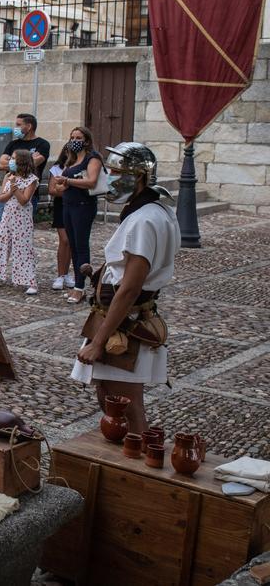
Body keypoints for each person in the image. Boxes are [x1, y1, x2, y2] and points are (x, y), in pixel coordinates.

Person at [72, 142, 179, 436]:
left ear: (139, 176)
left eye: (118, 171)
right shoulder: (156, 209)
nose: (110, 176)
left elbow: (130, 288)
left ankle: (137, 467)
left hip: (125, 323)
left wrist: (98, 342)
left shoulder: (145, 220)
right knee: (111, 397)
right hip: (120, 317)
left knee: (127, 406)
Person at [0, 113, 49, 278]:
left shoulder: (42, 144)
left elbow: (35, 162)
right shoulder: (12, 144)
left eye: (19, 125)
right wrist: (23, 162)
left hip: (27, 193)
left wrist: (16, 163)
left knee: (22, 235)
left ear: (29, 126)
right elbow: (1, 164)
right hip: (8, 192)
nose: (16, 128)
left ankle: (25, 273)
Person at [50, 126, 103, 304]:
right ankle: (76, 284)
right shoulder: (71, 159)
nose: (74, 141)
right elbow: (60, 187)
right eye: (72, 137)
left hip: (83, 206)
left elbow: (91, 181)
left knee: (81, 245)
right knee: (72, 246)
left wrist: (68, 181)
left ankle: (80, 287)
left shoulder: (92, 158)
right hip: (67, 205)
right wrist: (61, 185)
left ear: (86, 140)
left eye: (78, 137)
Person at [0, 149, 39, 294]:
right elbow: (1, 197)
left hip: (22, 218)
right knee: (2, 244)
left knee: (23, 248)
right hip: (8, 216)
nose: (11, 161)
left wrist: (15, 189)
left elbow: (24, 200)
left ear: (22, 161)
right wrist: (10, 190)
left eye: (14, 159)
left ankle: (30, 280)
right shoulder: (8, 176)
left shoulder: (31, 180)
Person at [48, 141, 72, 292]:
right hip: (61, 205)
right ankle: (60, 274)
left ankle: (66, 273)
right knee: (64, 239)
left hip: (73, 205)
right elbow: (52, 189)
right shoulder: (56, 169)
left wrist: (64, 187)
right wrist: (69, 189)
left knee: (70, 241)